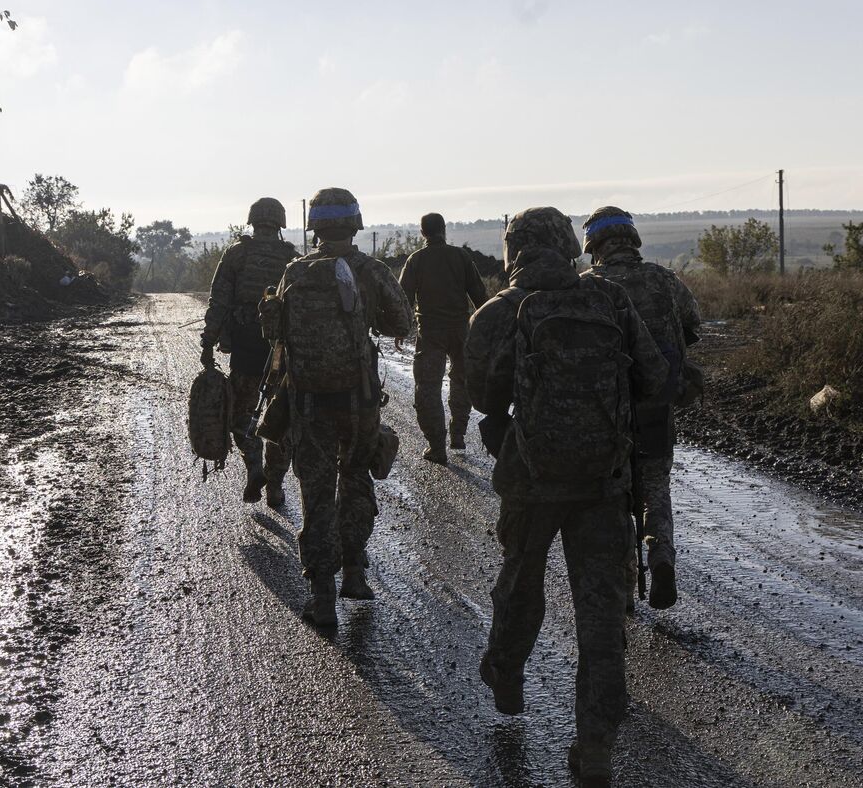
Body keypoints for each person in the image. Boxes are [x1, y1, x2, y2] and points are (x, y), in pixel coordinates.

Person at [465, 206, 667, 787]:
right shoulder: (610, 301)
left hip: (530, 481)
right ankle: (596, 745)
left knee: (521, 583)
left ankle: (506, 673)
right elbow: (655, 380)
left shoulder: (498, 313)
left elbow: (481, 396)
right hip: (604, 482)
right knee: (601, 618)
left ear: (514, 250)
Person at [264, 187, 412, 628]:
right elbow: (402, 322)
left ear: (316, 228)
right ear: (355, 224)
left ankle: (322, 596)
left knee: (315, 491)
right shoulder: (371, 269)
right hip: (359, 398)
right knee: (355, 477)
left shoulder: (294, 271)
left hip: (309, 400)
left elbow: (276, 334)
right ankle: (355, 572)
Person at [581, 206, 702, 610]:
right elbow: (693, 322)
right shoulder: (663, 279)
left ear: (593, 245)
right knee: (655, 487)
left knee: (614, 494)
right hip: (656, 403)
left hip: (606, 411)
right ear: (632, 240)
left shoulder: (586, 287)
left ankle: (625, 577)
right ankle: (661, 555)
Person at [200, 198, 298, 507]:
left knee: (240, 413)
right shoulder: (291, 260)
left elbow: (219, 302)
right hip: (282, 349)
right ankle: (276, 486)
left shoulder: (237, 255)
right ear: (280, 223)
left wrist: (208, 342)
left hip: (246, 347)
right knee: (281, 418)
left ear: (252, 221)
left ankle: (254, 465)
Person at [398, 212, 489, 464]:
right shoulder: (461, 257)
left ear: (422, 232)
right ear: (444, 229)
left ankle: (436, 446)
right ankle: (458, 433)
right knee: (461, 380)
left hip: (430, 333)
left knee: (428, 388)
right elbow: (480, 296)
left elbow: (402, 299)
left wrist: (399, 329)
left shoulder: (416, 260)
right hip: (461, 330)